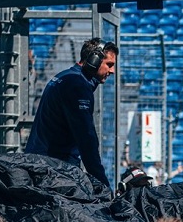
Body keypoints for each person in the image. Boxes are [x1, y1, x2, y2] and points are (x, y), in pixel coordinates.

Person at [24, 38, 118, 190]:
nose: (112, 71)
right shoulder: (77, 86)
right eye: (109, 64)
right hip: (53, 169)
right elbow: (86, 138)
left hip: (42, 162)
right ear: (94, 60)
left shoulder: (64, 76)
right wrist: (103, 184)